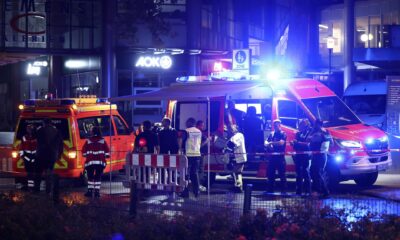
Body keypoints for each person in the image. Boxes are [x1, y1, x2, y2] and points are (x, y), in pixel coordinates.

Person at [35, 118, 63, 193]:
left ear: (44, 123)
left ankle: (36, 190)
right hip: (52, 156)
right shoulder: (56, 131)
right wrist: (59, 154)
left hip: (41, 155)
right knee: (49, 173)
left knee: (38, 173)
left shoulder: (40, 130)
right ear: (51, 123)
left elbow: (35, 140)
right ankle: (48, 190)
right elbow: (61, 145)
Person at [82, 126, 110, 198]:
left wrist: (87, 155)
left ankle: (90, 192)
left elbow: (83, 153)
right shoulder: (103, 141)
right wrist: (105, 156)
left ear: (92, 132)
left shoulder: (88, 141)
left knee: (90, 177)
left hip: (90, 163)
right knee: (98, 177)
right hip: (100, 163)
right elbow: (107, 153)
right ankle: (97, 192)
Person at [308, 119, 332, 199]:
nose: (313, 125)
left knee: (318, 173)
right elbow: (332, 143)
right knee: (313, 172)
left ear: (318, 124)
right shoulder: (325, 132)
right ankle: (317, 191)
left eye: (315, 124)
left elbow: (311, 140)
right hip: (318, 155)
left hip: (320, 156)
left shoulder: (321, 133)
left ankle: (324, 192)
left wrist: (312, 136)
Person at [180, 117, 202, 198]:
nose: (186, 124)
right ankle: (196, 191)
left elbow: (183, 142)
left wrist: (181, 149)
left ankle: (185, 192)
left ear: (189, 123)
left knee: (186, 174)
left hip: (188, 155)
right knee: (195, 173)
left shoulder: (186, 131)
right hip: (197, 154)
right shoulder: (199, 131)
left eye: (187, 122)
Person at [264, 119, 287, 194]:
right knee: (270, 175)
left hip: (280, 158)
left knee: (282, 175)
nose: (276, 126)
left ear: (280, 125)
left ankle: (283, 192)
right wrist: (267, 144)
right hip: (272, 157)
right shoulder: (272, 133)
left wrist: (271, 143)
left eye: (277, 125)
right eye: (274, 125)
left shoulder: (283, 133)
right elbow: (266, 142)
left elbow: (281, 143)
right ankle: (270, 191)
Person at [291, 119, 312, 196]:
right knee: (298, 174)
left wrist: (298, 143)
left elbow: (308, 144)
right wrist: (293, 144)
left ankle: (308, 192)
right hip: (298, 156)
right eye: (299, 125)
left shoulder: (309, 133)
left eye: (301, 125)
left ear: (306, 126)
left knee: (306, 173)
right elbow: (296, 145)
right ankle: (298, 191)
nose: (299, 127)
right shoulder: (298, 134)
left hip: (306, 156)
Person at [225, 124, 247, 192]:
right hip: (236, 157)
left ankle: (238, 186)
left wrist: (226, 150)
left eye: (232, 128)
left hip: (239, 157)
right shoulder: (234, 136)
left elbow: (232, 143)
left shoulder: (239, 135)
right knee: (236, 172)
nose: (230, 130)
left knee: (236, 172)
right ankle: (237, 186)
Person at [20, 124, 37, 191]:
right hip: (27, 158)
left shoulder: (37, 138)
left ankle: (34, 187)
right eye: (29, 129)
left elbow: (38, 149)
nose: (30, 130)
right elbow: (21, 149)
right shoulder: (24, 137)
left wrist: (34, 158)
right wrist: (25, 158)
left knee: (34, 174)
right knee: (29, 174)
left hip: (34, 158)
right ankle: (31, 188)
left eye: (31, 129)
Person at [196, 120, 210, 192]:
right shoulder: (199, 133)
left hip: (201, 153)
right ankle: (199, 184)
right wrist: (207, 140)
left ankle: (198, 184)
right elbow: (199, 146)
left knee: (200, 169)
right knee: (200, 169)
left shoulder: (199, 133)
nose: (203, 127)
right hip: (200, 154)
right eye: (202, 125)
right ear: (198, 125)